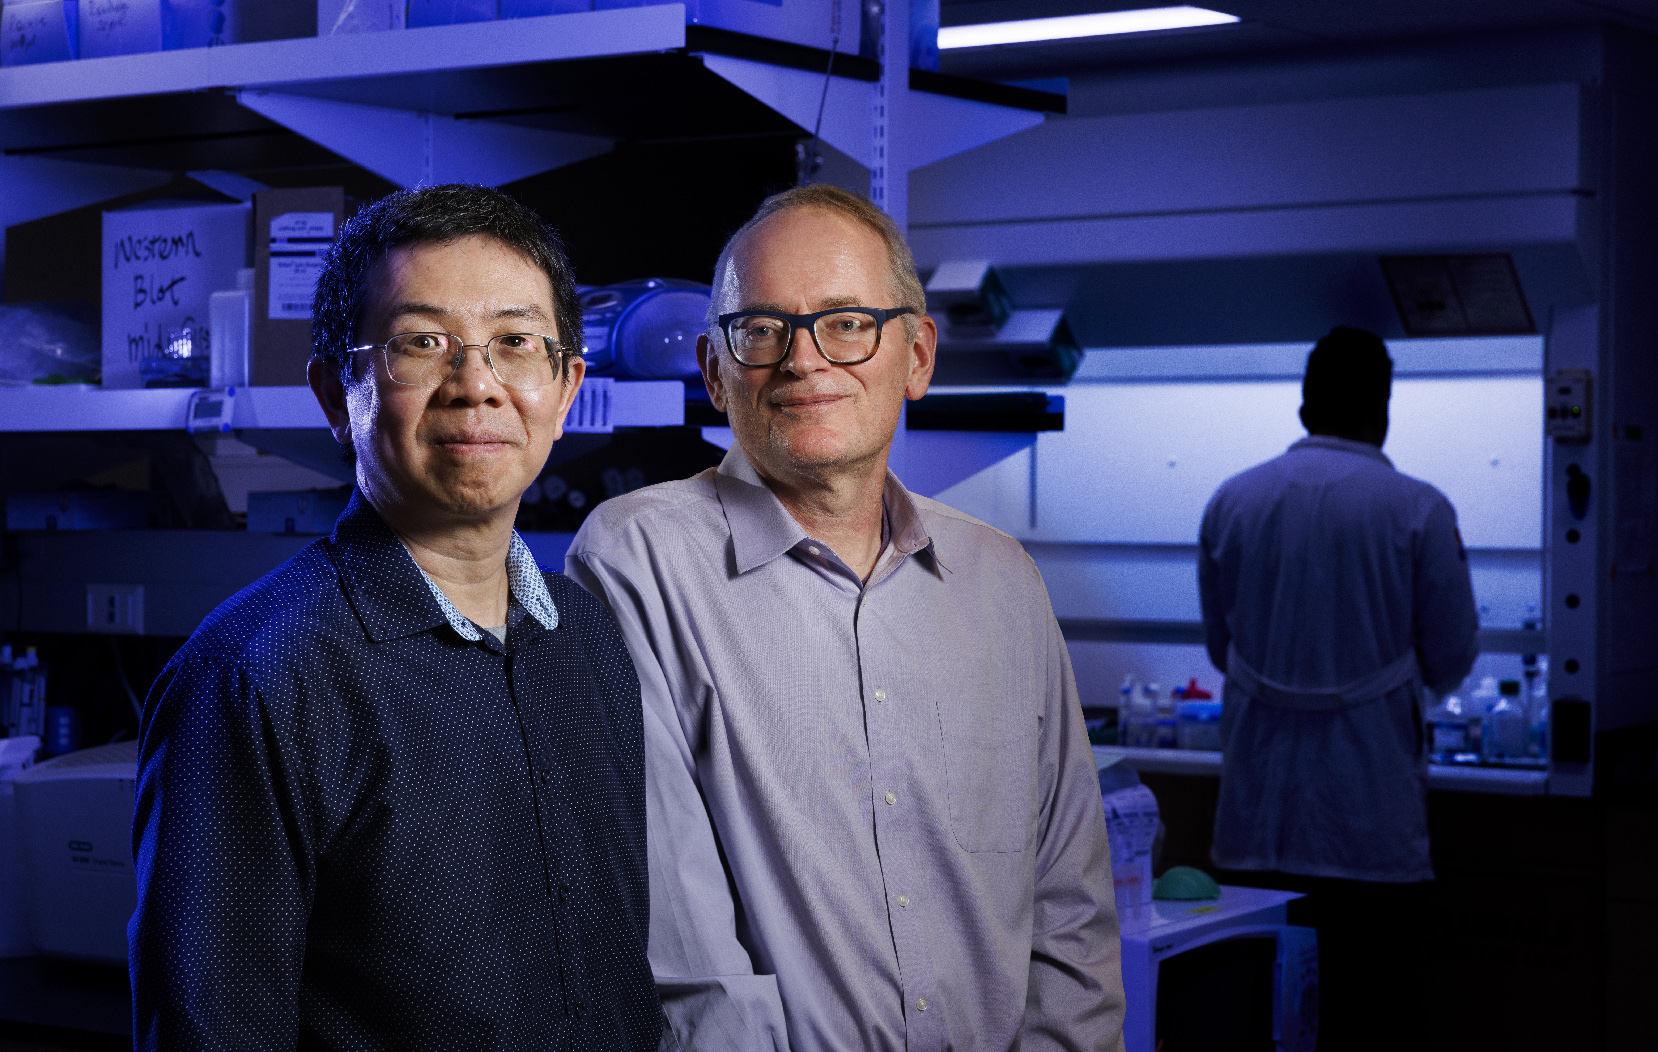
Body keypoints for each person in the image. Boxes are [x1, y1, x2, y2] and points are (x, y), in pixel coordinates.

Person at [566, 185, 1125, 1052]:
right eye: (761, 329)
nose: (803, 360)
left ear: (918, 356)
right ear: (714, 371)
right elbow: (687, 957)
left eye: (848, 322)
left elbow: (1072, 916)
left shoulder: (1002, 582)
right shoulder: (639, 560)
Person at [129, 184, 669, 1051]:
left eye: (515, 344)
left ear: (566, 389)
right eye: (421, 343)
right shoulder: (254, 679)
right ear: (338, 395)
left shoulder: (587, 636)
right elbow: (213, 1030)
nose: (476, 386)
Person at [1196, 325, 1480, 1050]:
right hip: (1370, 834)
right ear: (1383, 409)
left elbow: (1222, 651)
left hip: (1257, 827)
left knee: (1258, 1024)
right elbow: (1451, 658)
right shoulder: (1418, 509)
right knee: (1370, 1020)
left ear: (1302, 409)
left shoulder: (1233, 501)